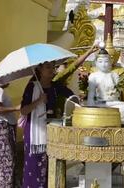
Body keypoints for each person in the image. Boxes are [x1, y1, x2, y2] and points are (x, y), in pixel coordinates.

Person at [20, 46, 98, 188]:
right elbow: (23, 111)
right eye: (48, 67)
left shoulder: (56, 86)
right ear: (39, 70)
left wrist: (81, 108)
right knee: (34, 167)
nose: (52, 70)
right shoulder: (32, 87)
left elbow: (73, 97)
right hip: (34, 134)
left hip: (53, 132)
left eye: (53, 67)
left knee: (51, 166)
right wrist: (38, 101)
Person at [0, 81, 20, 188]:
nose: (9, 80)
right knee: (5, 164)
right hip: (0, 130)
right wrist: (16, 108)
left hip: (1, 130)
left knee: (0, 163)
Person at [87, 48, 124, 122]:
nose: (103, 64)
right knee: (96, 108)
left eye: (106, 61)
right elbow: (91, 94)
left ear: (110, 62)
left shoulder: (114, 75)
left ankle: (120, 122)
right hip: (100, 103)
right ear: (96, 63)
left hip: (113, 102)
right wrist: (90, 109)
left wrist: (116, 93)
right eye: (100, 61)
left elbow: (119, 91)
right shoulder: (93, 76)